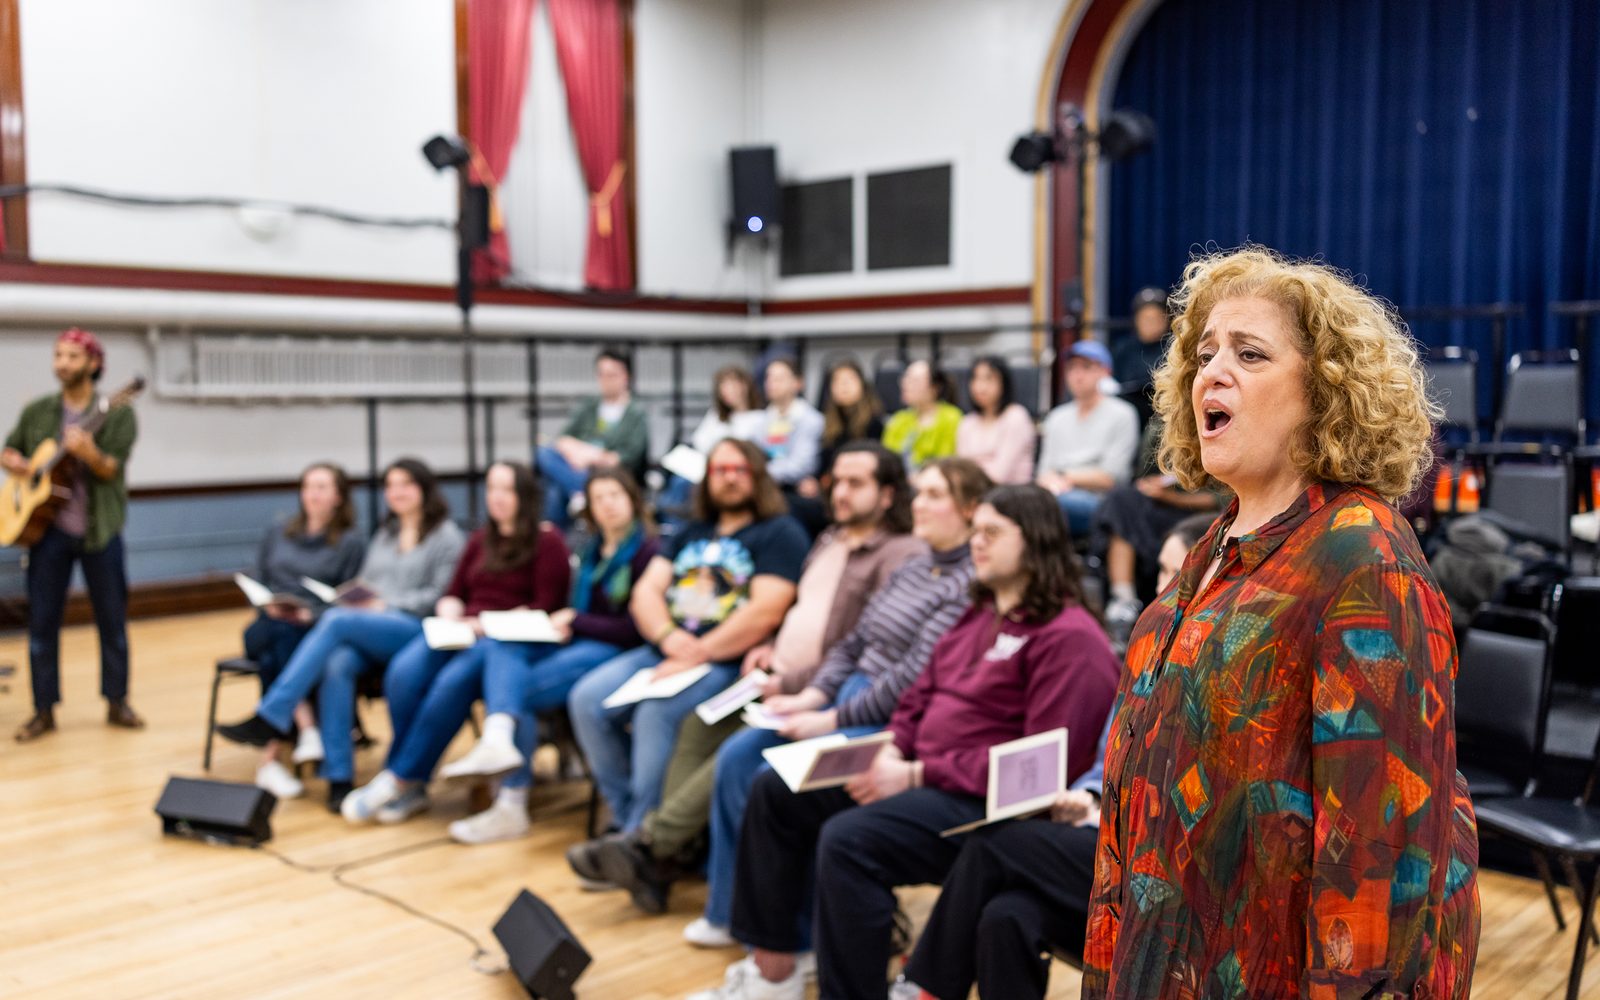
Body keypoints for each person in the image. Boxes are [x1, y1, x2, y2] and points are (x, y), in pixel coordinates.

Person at [1083, 247, 1480, 998]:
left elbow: (1379, 865)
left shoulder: (1364, 557)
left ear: (1327, 391)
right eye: (1203, 355)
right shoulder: (1214, 545)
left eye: (1250, 352)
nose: (1212, 372)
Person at [692, 485, 1120, 1000]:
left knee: (851, 841)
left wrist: (918, 773)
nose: (976, 543)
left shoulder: (1070, 638)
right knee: (777, 792)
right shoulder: (979, 612)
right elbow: (919, 696)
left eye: (991, 532)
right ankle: (775, 968)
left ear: (1035, 541)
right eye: (975, 530)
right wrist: (894, 746)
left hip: (983, 807)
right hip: (918, 770)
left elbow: (1042, 768)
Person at [566, 443, 930, 918]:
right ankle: (661, 849)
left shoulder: (892, 553)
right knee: (695, 722)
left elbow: (857, 644)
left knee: (712, 737)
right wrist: (767, 643)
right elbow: (797, 611)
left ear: (887, 494)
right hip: (765, 669)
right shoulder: (829, 538)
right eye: (836, 482)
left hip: (810, 685)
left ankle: (650, 844)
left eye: (855, 483)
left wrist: (784, 672)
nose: (839, 492)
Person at [898, 513, 1211, 1000]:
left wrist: (1104, 809)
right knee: (1007, 916)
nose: (1164, 588)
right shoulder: (1150, 649)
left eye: (1178, 574)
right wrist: (1085, 797)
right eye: (1161, 572)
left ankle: (926, 990)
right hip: (1098, 832)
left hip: (1153, 861)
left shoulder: (1208, 670)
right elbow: (1108, 759)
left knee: (993, 844)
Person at [567, 438, 809, 834]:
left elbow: (766, 610)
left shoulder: (780, 533)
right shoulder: (690, 530)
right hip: (667, 649)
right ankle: (628, 816)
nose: (728, 479)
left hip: (727, 661)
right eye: (719, 470)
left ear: (756, 476)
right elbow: (646, 591)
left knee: (654, 715)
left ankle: (639, 835)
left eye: (738, 470)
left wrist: (700, 651)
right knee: (586, 700)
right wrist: (667, 638)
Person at [215, 458, 464, 809]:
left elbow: (440, 595)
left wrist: (383, 603)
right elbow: (366, 581)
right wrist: (355, 595)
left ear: (424, 489)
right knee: (336, 662)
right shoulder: (386, 533)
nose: (397, 492)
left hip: (413, 628)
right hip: (373, 624)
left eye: (405, 484)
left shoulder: (446, 537)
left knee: (334, 621)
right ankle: (339, 777)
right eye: (391, 485)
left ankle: (273, 712)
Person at [340, 461, 571, 824]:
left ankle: (402, 778)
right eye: (492, 489)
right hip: (462, 629)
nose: (497, 498)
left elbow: (547, 605)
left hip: (502, 637)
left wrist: (482, 624)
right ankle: (408, 780)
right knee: (403, 672)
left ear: (524, 496)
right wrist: (451, 610)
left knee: (449, 684)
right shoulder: (480, 539)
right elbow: (454, 591)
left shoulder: (547, 540)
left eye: (507, 489)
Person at [439, 468, 661, 844]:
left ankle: (511, 793)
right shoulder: (592, 548)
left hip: (617, 648)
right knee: (505, 650)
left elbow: (634, 628)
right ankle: (507, 783)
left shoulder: (647, 552)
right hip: (578, 640)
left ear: (632, 500)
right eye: (598, 497)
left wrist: (576, 620)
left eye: (614, 495)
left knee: (513, 695)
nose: (607, 504)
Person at [4, 329, 142, 742]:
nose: (62, 363)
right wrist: (18, 465)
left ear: (93, 364)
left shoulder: (116, 413)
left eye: (72, 356)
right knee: (42, 623)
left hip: (100, 529)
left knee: (112, 619)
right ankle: (43, 710)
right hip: (47, 532)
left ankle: (117, 700)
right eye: (58, 355)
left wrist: (89, 454)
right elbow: (9, 450)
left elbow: (110, 469)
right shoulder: (40, 411)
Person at [226, 462, 367, 795]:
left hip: (313, 627)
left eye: (321, 487)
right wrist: (269, 603)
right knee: (277, 635)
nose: (312, 494)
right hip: (269, 621)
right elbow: (257, 576)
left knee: (279, 653)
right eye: (308, 486)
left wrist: (310, 614)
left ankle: (271, 759)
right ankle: (307, 730)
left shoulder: (350, 542)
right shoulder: (278, 531)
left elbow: (351, 597)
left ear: (338, 496)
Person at [1094, 412, 1222, 646]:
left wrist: (1170, 497)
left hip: (1201, 511)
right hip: (1164, 504)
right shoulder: (1165, 422)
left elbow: (1222, 500)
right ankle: (1124, 601)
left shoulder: (1223, 423)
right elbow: (1145, 475)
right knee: (1120, 501)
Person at [1036, 340, 1139, 537]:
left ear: (1105, 371)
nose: (1078, 375)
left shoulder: (1122, 413)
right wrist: (1054, 481)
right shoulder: (1056, 417)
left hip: (1101, 501)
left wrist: (1064, 477)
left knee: (1044, 507)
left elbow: (1112, 477)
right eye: (1072, 368)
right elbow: (1043, 471)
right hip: (1055, 493)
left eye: (1086, 367)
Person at [536, 348, 649, 526]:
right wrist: (579, 454)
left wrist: (593, 456)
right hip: (577, 467)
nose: (606, 381)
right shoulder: (590, 405)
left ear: (626, 376)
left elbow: (628, 457)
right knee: (544, 452)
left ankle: (576, 499)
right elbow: (564, 438)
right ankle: (580, 491)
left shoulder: (636, 414)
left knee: (556, 490)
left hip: (611, 472)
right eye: (602, 375)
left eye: (612, 375)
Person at [732, 356, 825, 535]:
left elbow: (801, 465)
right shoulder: (762, 420)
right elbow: (751, 454)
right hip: (763, 484)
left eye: (779, 378)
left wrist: (759, 473)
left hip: (791, 490)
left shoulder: (811, 420)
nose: (772, 384)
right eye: (769, 378)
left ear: (797, 383)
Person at [799, 358, 885, 499]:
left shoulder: (874, 423)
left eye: (850, 379)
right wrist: (814, 480)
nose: (843, 385)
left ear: (862, 385)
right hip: (829, 487)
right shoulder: (827, 424)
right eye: (837, 381)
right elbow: (822, 463)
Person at [956, 356, 1036, 484]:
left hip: (1011, 493)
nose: (980, 386)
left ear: (1003, 383)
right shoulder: (967, 422)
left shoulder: (1015, 416)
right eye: (975, 378)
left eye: (989, 379)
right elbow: (960, 471)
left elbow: (1000, 474)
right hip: (973, 493)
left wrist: (974, 467)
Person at [881, 360, 963, 470]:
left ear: (934, 388)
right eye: (905, 378)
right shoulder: (898, 419)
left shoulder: (951, 417)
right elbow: (886, 459)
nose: (905, 384)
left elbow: (947, 462)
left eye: (914, 380)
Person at [1112, 286, 1171, 396]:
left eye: (1155, 318)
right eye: (1145, 318)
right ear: (1136, 320)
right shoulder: (1123, 349)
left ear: (1166, 319)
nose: (1149, 323)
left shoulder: (1174, 348)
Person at [691, 366, 763, 456]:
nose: (727, 391)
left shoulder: (760, 417)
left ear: (745, 385)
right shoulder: (715, 415)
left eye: (732, 385)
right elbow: (699, 441)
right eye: (723, 387)